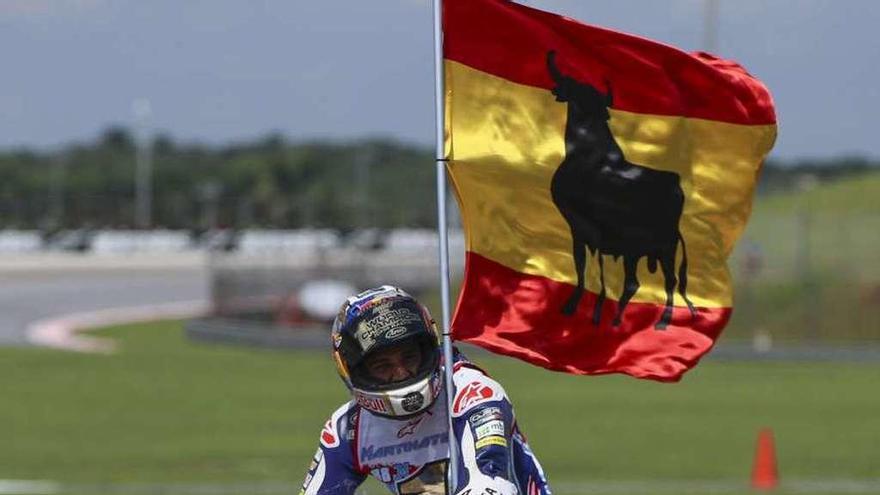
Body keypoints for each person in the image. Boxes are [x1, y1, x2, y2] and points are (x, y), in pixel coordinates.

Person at [299, 285, 551, 495]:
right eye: (382, 365)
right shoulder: (347, 429)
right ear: (354, 370)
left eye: (409, 357)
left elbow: (491, 485)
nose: (401, 373)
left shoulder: (473, 394)